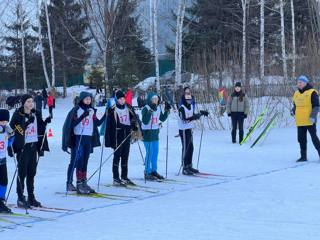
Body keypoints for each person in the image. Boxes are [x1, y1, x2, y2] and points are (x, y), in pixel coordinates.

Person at [9, 94, 51, 208]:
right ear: (23, 103)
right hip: (23, 147)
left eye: (32, 101)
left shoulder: (36, 113)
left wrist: (45, 122)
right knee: (22, 173)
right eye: (28, 101)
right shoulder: (18, 114)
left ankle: (31, 196)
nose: (30, 103)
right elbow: (14, 128)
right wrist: (26, 123)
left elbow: (39, 127)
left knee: (32, 173)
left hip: (33, 145)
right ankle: (20, 197)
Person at [62, 91, 106, 194]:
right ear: (82, 99)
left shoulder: (91, 110)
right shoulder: (77, 110)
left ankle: (83, 182)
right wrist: (83, 116)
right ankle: (71, 183)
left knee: (85, 161)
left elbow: (97, 123)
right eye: (86, 99)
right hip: (78, 138)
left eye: (90, 99)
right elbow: (71, 124)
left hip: (88, 138)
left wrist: (105, 115)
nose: (88, 100)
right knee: (76, 161)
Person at [105, 90, 138, 186]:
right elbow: (114, 124)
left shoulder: (128, 107)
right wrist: (127, 126)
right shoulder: (113, 109)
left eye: (123, 98)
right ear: (116, 99)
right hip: (117, 136)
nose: (122, 100)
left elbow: (133, 117)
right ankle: (116, 178)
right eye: (120, 99)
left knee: (125, 156)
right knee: (117, 157)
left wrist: (133, 124)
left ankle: (124, 176)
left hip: (127, 135)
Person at [141, 92, 170, 180]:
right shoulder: (145, 108)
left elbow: (162, 118)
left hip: (155, 133)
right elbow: (145, 121)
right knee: (149, 153)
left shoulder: (157, 108)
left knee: (155, 153)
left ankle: (154, 170)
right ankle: (147, 171)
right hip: (147, 133)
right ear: (150, 100)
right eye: (153, 99)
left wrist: (167, 111)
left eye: (157, 99)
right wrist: (150, 111)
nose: (155, 101)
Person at [178, 93, 208, 175]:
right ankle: (184, 167)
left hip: (189, 129)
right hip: (183, 130)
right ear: (184, 100)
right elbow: (184, 119)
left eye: (190, 99)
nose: (189, 100)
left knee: (191, 147)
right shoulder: (181, 108)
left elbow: (192, 115)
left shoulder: (190, 106)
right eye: (187, 99)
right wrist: (194, 117)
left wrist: (201, 114)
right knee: (186, 147)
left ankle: (189, 165)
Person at [292, 75, 320, 162]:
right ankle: (303, 157)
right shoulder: (296, 93)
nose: (299, 84)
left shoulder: (312, 92)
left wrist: (313, 116)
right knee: (301, 139)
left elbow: (316, 106)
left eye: (300, 82)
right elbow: (295, 105)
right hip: (300, 121)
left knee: (314, 138)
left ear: (305, 83)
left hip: (309, 120)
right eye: (298, 82)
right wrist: (293, 111)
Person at [0, 109, 14, 213]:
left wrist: (11, 136)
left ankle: (1, 202)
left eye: (6, 121)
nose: (4, 123)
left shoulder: (6, 129)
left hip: (2, 159)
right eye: (2, 121)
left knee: (4, 181)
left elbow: (8, 144)